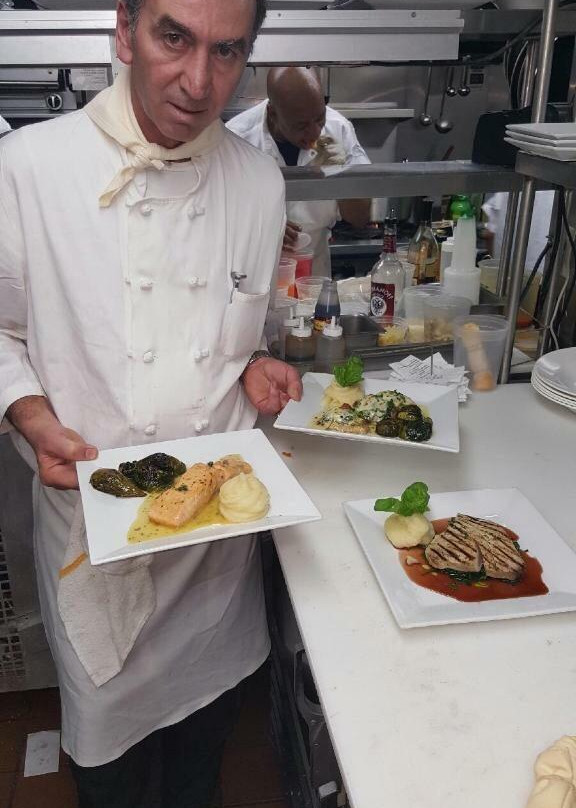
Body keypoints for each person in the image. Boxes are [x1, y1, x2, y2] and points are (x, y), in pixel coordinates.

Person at [0, 0, 302, 804]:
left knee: (202, 760)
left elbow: (239, 327)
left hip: (215, 560)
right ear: (124, 30)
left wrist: (255, 362)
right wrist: (27, 412)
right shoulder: (29, 169)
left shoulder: (259, 181)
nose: (198, 81)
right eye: (174, 37)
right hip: (97, 540)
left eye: (227, 51)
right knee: (112, 775)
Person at [227, 66, 372, 276]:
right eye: (301, 125)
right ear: (273, 114)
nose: (315, 132)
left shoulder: (339, 129)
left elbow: (360, 218)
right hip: (254, 275)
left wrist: (341, 176)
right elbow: (213, 220)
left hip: (313, 276)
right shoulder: (237, 138)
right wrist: (259, 225)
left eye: (320, 118)